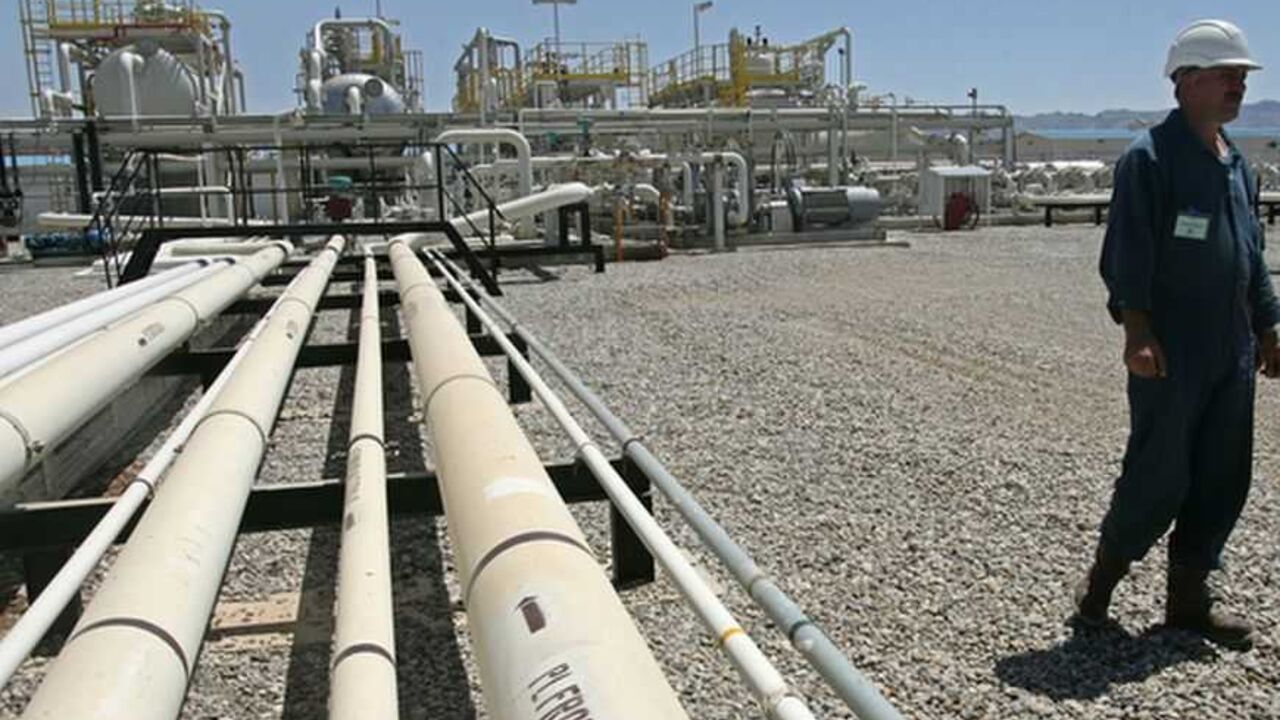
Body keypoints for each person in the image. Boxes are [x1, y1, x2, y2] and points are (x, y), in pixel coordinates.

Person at [1080, 18, 1280, 651]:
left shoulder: (1235, 166)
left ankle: (1188, 601)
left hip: (1232, 352)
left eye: (1242, 78)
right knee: (1159, 473)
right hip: (1172, 352)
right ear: (1186, 82)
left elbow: (1251, 256)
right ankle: (1099, 591)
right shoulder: (1151, 160)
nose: (1237, 87)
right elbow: (1126, 255)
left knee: (1224, 474)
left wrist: (1270, 325)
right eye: (1226, 76)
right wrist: (1135, 330)